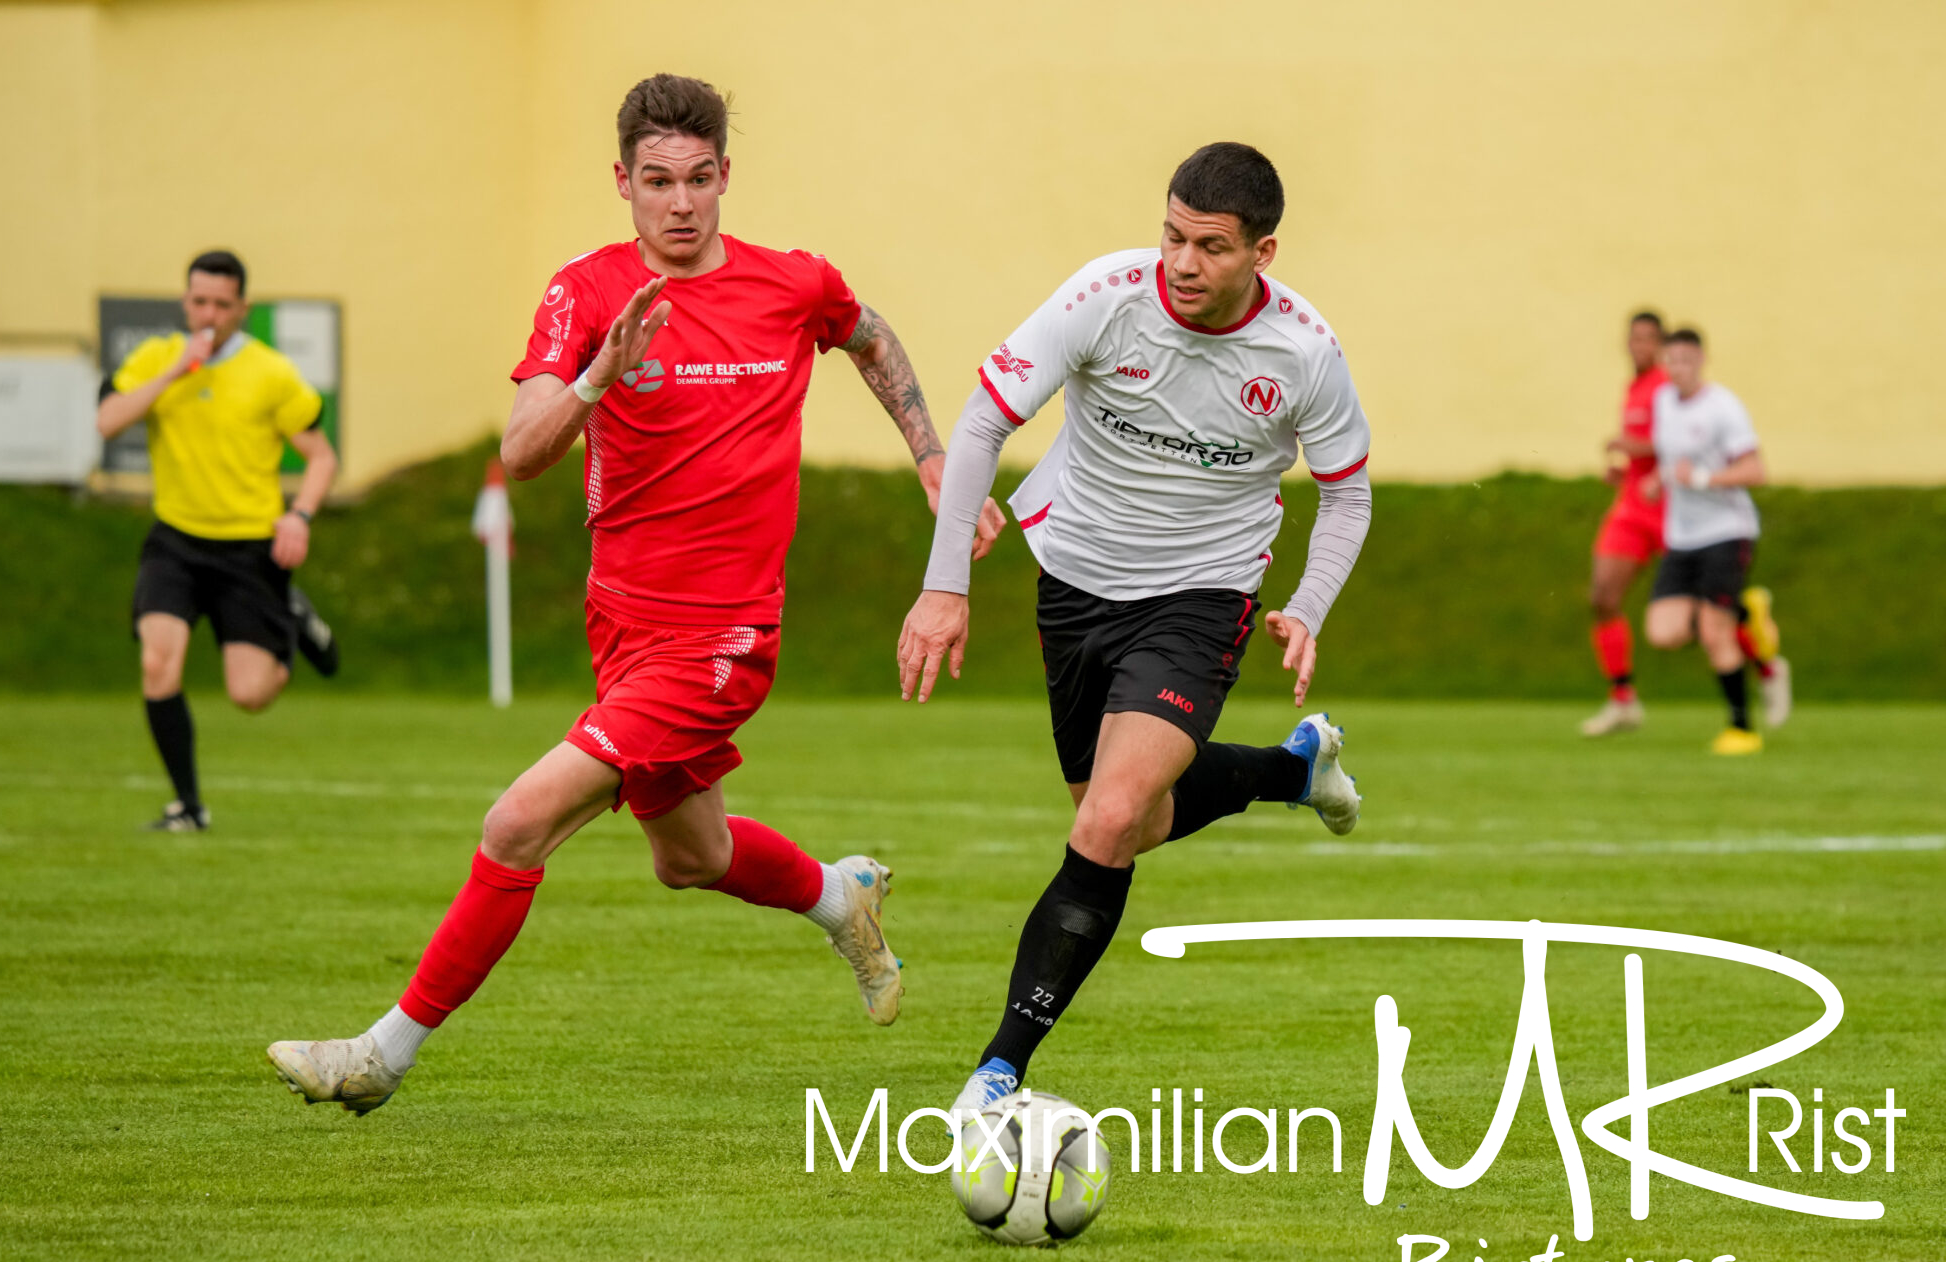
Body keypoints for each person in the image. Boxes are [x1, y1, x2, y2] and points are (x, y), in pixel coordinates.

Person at [267, 73, 1003, 1115]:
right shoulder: (587, 293)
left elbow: (869, 335)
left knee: (516, 821)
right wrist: (592, 380)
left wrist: (932, 456)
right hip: (623, 621)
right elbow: (521, 452)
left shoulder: (791, 283)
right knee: (690, 855)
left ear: (724, 177)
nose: (680, 202)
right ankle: (844, 898)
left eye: (699, 179)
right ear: (622, 182)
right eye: (657, 181)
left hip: (724, 636)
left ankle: (379, 1056)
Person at [896, 143, 1371, 1113]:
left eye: (1209, 246)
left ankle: (996, 1071)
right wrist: (944, 586)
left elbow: (1346, 495)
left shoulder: (1303, 354)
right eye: (1171, 235)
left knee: (1107, 819)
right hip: (1070, 580)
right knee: (1127, 815)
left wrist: (1306, 606)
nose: (1182, 263)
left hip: (1201, 596)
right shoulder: (1104, 296)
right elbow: (985, 422)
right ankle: (1291, 770)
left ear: (1261, 254)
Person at [97, 250, 342, 832]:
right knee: (158, 663)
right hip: (175, 542)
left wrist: (300, 516)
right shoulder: (157, 358)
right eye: (199, 301)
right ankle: (188, 806)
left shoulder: (270, 372)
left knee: (251, 695)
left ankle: (293, 612)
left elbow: (321, 457)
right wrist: (176, 370)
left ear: (242, 308)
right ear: (185, 302)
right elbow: (108, 421)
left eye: (221, 304)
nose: (209, 313)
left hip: (248, 550)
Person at [1637, 328, 1790, 754]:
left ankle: (1742, 729)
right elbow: (1673, 458)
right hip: (1681, 535)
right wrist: (1657, 479)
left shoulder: (1724, 408)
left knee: (1711, 631)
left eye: (1686, 359)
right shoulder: (1664, 402)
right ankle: (1748, 618)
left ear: (1701, 360)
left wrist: (1702, 479)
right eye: (1671, 360)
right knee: (1663, 632)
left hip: (1726, 530)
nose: (1678, 368)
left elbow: (1756, 471)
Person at [1580, 311, 1668, 736]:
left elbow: (1684, 442)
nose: (1641, 345)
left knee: (1707, 611)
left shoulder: (1668, 387)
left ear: (1662, 344)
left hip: (1671, 505)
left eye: (1650, 338)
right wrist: (1625, 468)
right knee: (1602, 597)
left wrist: (1635, 446)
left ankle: (1762, 662)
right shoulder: (1633, 387)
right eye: (1635, 337)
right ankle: (1623, 699)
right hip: (1632, 504)